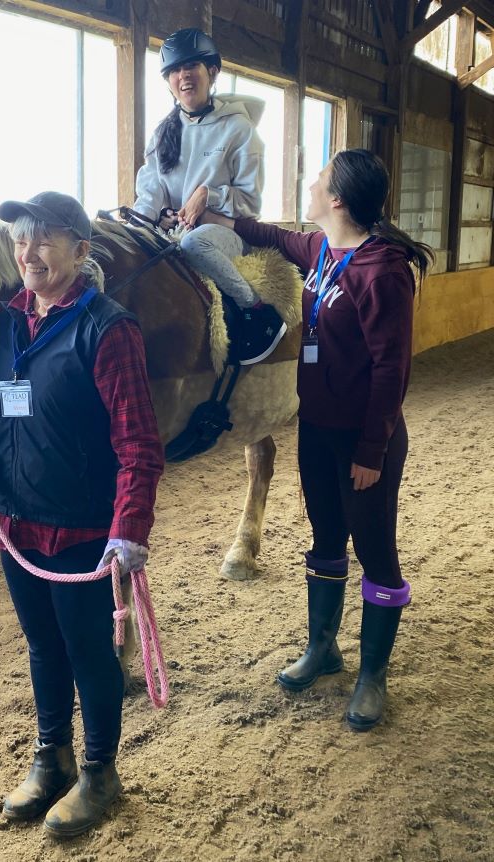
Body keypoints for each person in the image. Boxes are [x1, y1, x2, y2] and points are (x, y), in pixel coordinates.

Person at [0, 191, 164, 835]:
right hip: (17, 522)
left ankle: (100, 773)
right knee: (43, 648)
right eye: (20, 239)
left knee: (89, 653)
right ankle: (54, 759)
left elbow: (138, 445)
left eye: (44, 239)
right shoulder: (8, 323)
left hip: (83, 529)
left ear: (80, 250)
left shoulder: (110, 329)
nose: (28, 252)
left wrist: (129, 530)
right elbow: (6, 405)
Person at [223, 149, 433, 730]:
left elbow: (393, 369)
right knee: (324, 541)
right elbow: (271, 235)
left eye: (318, 181)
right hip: (315, 429)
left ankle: (372, 676)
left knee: (377, 554)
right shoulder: (322, 251)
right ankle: (323, 648)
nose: (310, 185)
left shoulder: (382, 271)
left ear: (337, 199)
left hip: (365, 443)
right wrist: (219, 218)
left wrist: (371, 450)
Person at [133, 26, 287, 365]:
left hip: (224, 235)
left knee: (195, 243)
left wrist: (209, 194)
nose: (183, 76)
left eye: (192, 67)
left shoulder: (239, 129)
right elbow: (150, 190)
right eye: (174, 70)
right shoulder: (163, 132)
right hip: (173, 228)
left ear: (212, 72)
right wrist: (145, 220)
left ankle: (255, 311)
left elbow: (250, 203)